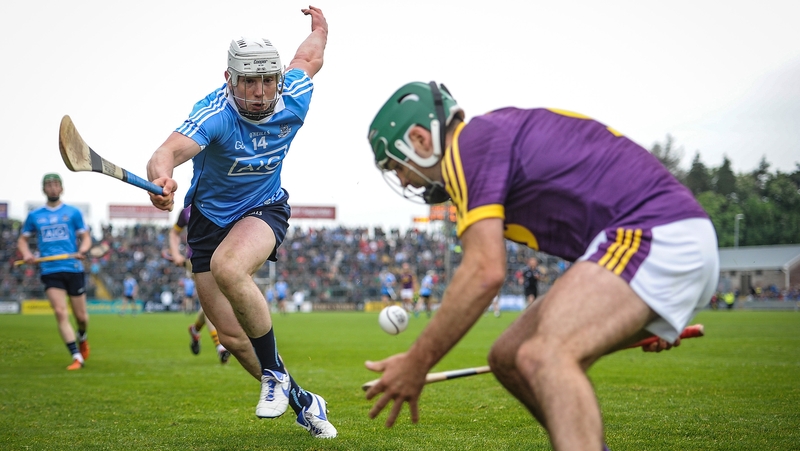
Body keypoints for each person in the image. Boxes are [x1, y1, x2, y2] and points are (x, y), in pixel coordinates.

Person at [363, 82, 719, 450]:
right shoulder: (481, 149)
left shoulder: (470, 150)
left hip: (655, 233)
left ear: (420, 140)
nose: (404, 179)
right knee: (509, 357)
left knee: (544, 354)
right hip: (652, 240)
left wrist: (417, 362)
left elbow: (484, 272)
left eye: (397, 166)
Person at [146, 7, 335, 439]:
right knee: (231, 338)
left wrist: (321, 28)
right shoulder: (215, 114)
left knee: (229, 267)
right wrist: (162, 178)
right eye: (248, 80)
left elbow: (309, 58)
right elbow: (168, 151)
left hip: (263, 208)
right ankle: (303, 399)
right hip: (208, 223)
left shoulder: (294, 95)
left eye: (267, 79)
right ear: (230, 79)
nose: (259, 90)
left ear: (278, 79)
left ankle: (273, 376)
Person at [16, 173, 92, 370]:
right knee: (60, 312)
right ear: (43, 189)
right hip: (50, 269)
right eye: (48, 185)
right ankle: (77, 356)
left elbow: (85, 237)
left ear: (61, 188)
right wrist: (27, 254)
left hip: (73, 267)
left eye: (55, 184)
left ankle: (82, 337)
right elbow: (23, 240)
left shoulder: (73, 213)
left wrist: (82, 250)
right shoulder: (35, 216)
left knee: (82, 318)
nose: (52, 188)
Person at [169, 206, 230, 364]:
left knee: (213, 301)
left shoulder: (225, 201)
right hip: (196, 259)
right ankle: (220, 346)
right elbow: (174, 232)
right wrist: (176, 254)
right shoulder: (187, 210)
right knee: (211, 300)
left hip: (221, 256)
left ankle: (195, 330)